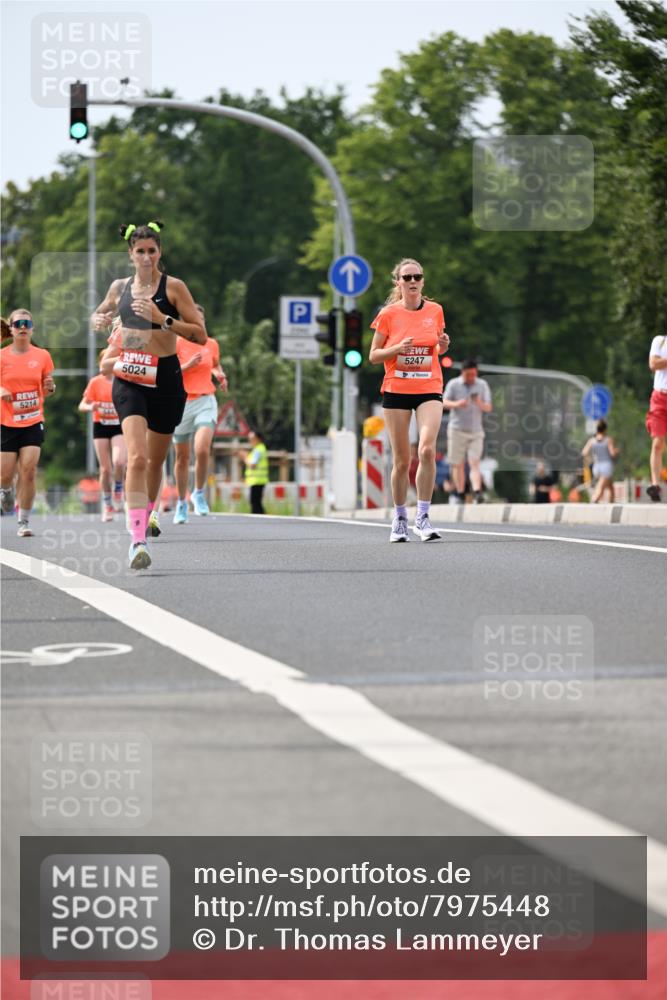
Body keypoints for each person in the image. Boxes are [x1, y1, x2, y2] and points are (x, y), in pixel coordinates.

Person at [93, 221, 206, 570]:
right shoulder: (120, 287)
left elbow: (200, 335)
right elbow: (102, 311)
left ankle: (150, 512)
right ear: (130, 254)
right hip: (129, 377)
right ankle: (137, 540)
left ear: (160, 252)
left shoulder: (174, 288)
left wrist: (163, 319)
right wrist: (98, 319)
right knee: (136, 459)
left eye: (151, 251)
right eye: (139, 251)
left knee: (156, 461)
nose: (145, 257)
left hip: (166, 378)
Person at [369, 258, 450, 542]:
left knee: (427, 450)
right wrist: (396, 349)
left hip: (429, 385)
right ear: (399, 283)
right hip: (397, 389)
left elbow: (435, 350)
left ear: (423, 281)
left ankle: (423, 517)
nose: (413, 281)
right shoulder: (388, 314)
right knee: (402, 460)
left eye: (417, 276)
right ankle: (400, 518)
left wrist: (442, 346)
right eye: (407, 277)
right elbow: (373, 355)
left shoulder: (436, 311)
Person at [0, 309, 55, 536]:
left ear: (32, 328)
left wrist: (50, 388)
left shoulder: (42, 356)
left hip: (33, 420)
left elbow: (47, 386)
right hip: (6, 421)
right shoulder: (2, 356)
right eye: (18, 323)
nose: (23, 327)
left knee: (29, 470)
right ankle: (5, 491)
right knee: (5, 475)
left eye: (27, 323)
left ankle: (23, 522)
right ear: (11, 329)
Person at [172, 303, 227, 524]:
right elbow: (169, 372)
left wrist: (220, 375)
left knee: (202, 448)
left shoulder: (211, 344)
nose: (200, 324)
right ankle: (181, 502)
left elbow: (215, 365)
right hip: (181, 402)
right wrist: (187, 365)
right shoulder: (176, 342)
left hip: (206, 399)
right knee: (182, 457)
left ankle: (199, 493)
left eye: (202, 321)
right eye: (196, 320)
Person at [78, 349, 127, 521]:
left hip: (119, 425)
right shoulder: (95, 382)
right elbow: (82, 405)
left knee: (119, 462)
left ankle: (119, 489)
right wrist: (91, 407)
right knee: (105, 469)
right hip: (101, 426)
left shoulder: (123, 380)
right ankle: (107, 505)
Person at [442, 359, 492, 504]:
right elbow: (443, 402)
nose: (471, 378)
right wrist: (457, 404)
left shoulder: (482, 385)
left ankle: (477, 492)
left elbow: (488, 407)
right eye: (468, 375)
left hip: (476, 431)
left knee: (474, 461)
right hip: (457, 429)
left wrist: (479, 403)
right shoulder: (453, 384)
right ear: (462, 372)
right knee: (458, 464)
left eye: (473, 375)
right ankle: (460, 492)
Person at [646, 333, 667, 502]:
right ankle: (655, 485)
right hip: (660, 397)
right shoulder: (660, 341)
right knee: (658, 442)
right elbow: (653, 364)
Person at [582, 419, 619, 503]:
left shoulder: (592, 441)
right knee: (600, 488)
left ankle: (611, 503)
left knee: (610, 487)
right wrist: (616, 451)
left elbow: (584, 453)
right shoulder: (608, 440)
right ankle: (594, 501)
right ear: (605, 429)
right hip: (606, 466)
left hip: (597, 466)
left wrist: (590, 459)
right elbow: (612, 454)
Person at [239, 430, 269, 514]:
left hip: (257, 480)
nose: (250, 441)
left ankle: (260, 519)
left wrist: (244, 457)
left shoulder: (258, 450)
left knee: (255, 502)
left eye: (252, 438)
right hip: (258, 480)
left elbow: (252, 465)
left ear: (258, 439)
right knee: (256, 502)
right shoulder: (259, 449)